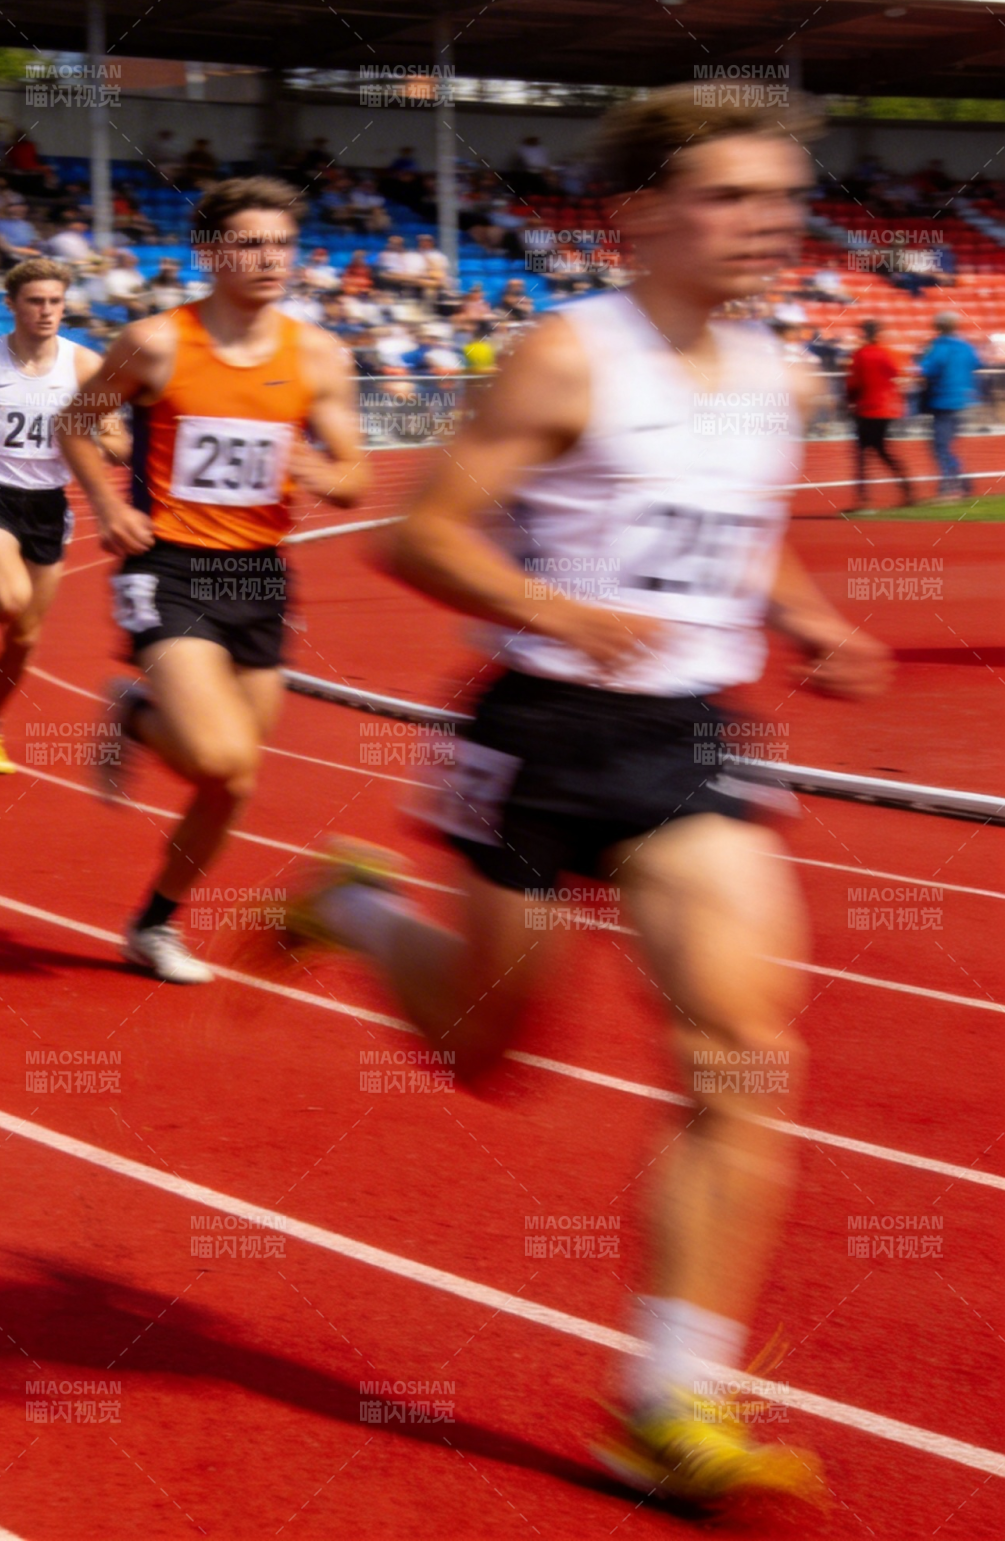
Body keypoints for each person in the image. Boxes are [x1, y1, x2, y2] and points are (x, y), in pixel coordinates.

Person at [261, 86, 890, 1504]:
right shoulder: (567, 357)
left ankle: (666, 1403)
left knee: (744, 1051)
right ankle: (356, 909)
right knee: (490, 1057)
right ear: (640, 216)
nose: (768, 223)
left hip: (688, 746)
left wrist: (807, 620)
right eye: (730, 196)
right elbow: (421, 537)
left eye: (784, 197)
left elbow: (741, 533)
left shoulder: (780, 377)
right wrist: (561, 610)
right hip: (539, 737)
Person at [55, 175, 368, 983]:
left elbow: (356, 474)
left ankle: (153, 925)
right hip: (170, 568)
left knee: (233, 781)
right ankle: (138, 710)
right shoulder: (157, 343)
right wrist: (105, 505)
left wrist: (321, 472)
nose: (269, 258)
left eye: (282, 245)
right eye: (249, 244)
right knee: (219, 757)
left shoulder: (319, 354)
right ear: (210, 253)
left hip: (261, 576)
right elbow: (76, 422)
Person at [0, 258, 126, 774]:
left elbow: (113, 430)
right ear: (11, 304)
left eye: (55, 301)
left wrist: (113, 443)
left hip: (48, 503)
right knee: (10, 598)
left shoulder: (85, 364)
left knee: (26, 637)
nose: (46, 311)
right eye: (35, 301)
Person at [843, 320, 912, 511]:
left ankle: (863, 499)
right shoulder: (889, 352)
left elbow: (853, 384)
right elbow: (900, 375)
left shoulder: (860, 354)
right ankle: (907, 487)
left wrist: (848, 403)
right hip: (887, 407)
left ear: (864, 334)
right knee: (880, 449)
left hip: (867, 408)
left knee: (863, 453)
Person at [917, 311, 979, 503]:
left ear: (938, 327)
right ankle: (959, 481)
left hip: (942, 401)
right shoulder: (965, 346)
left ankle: (951, 485)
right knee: (944, 445)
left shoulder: (938, 347)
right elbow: (976, 363)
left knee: (940, 446)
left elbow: (927, 369)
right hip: (963, 400)